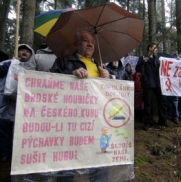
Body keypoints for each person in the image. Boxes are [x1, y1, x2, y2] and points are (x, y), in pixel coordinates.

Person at [49, 31, 134, 181]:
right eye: (85, 41)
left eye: (92, 42)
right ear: (76, 44)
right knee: (67, 165)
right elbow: (49, 83)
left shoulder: (98, 65)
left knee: (100, 162)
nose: (90, 44)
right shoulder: (63, 61)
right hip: (72, 123)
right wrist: (70, 75)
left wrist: (106, 79)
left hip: (97, 122)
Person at [0, 44, 35, 167]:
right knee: (3, 134)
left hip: (22, 112)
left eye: (27, 51)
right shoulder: (7, 63)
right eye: (22, 50)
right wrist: (10, 64)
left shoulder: (33, 70)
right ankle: (4, 158)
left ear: (31, 55)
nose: (24, 53)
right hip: (4, 109)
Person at [136, 43, 168, 130]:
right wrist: (143, 62)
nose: (156, 49)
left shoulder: (157, 58)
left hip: (158, 83)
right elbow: (137, 69)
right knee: (148, 103)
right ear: (150, 48)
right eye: (155, 48)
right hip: (148, 83)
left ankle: (162, 120)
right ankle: (148, 122)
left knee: (162, 101)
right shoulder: (142, 58)